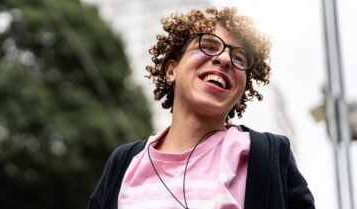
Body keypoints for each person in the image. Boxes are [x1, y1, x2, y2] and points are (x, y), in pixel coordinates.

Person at [87, 6, 315, 209]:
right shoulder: (125, 163)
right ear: (171, 70)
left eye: (240, 59)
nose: (225, 59)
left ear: (240, 92)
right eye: (208, 46)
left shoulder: (269, 154)